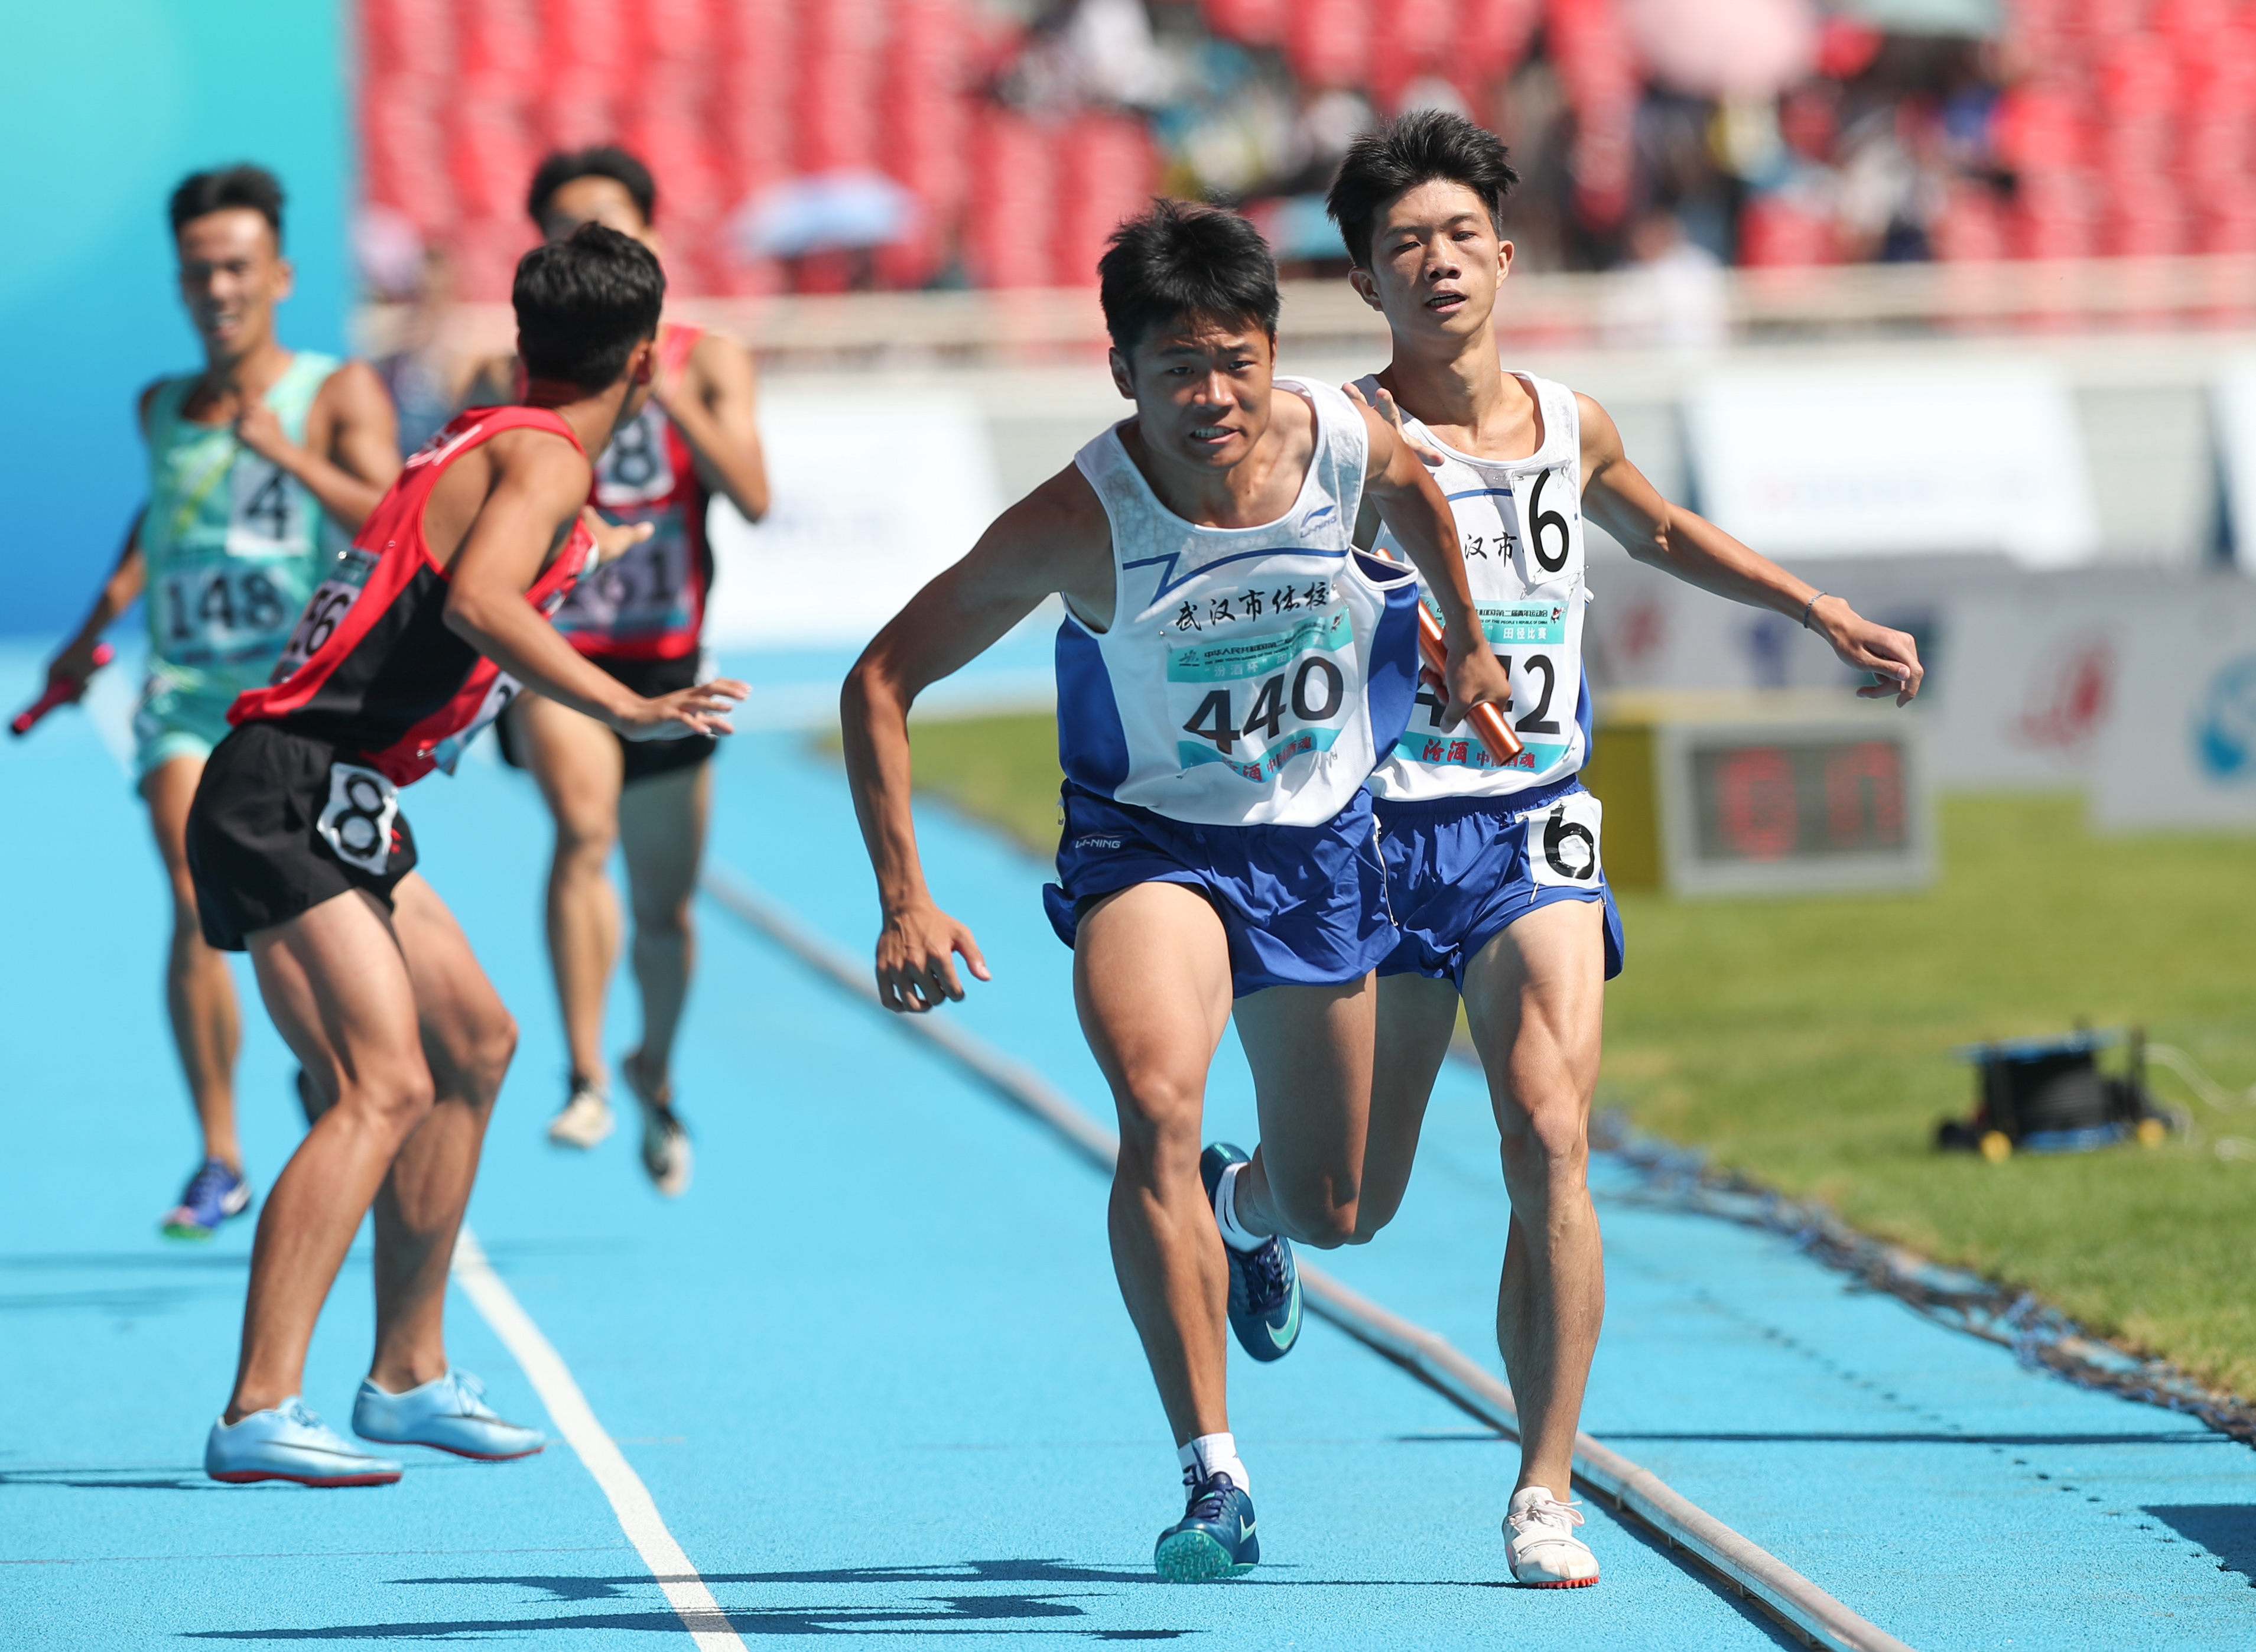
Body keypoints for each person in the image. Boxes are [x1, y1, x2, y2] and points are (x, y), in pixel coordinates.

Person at [1232, 110, 1922, 1586]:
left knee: (1551, 1136)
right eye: (1402, 244)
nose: (1437, 265)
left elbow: (1659, 530)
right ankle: (1250, 1205)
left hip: (1532, 822)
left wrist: (1819, 613)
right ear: (1365, 279)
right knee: (1350, 1204)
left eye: (1459, 238)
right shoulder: (1333, 439)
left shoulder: (1569, 418)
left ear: (1504, 254)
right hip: (1375, 836)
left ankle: (1543, 1488)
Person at [839, 199, 1510, 1578]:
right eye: (1175, 371)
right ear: (1120, 375)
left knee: (1339, 1208)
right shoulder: (1082, 517)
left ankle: (1244, 1212)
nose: (1210, 398)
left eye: (1234, 361)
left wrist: (1475, 648)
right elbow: (881, 681)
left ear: (1273, 350)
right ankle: (1213, 1476)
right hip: (1151, 847)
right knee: (1154, 1100)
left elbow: (1420, 500)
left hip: (1319, 847)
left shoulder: (1341, 441)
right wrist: (905, 895)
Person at [187, 223, 749, 1486]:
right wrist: (627, 707)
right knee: (378, 1086)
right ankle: (257, 1408)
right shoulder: (541, 459)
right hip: (285, 787)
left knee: (476, 1045)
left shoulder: (488, 441)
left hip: (344, 797)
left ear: (519, 343)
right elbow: (477, 604)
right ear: (647, 363)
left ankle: (406, 1375)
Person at [38, 165, 400, 1241]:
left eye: (237, 267)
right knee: (197, 888)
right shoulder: (163, 405)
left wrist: (284, 456)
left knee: (331, 908)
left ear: (280, 275)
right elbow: (165, 525)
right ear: (182, 285)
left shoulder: (334, 394)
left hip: (303, 706)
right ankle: (221, 1153)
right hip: (190, 703)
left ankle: (325, 1075)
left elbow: (392, 514)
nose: (219, 288)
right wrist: (85, 635)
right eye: (200, 272)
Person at [492, 147, 771, 1195]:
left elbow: (750, 493)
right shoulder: (513, 370)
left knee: (665, 912)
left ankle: (652, 1068)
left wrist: (660, 382)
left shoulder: (710, 359)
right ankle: (584, 1074)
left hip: (671, 664)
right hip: (560, 656)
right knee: (583, 830)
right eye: (566, 233)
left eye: (610, 226)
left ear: (653, 234)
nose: (591, 248)